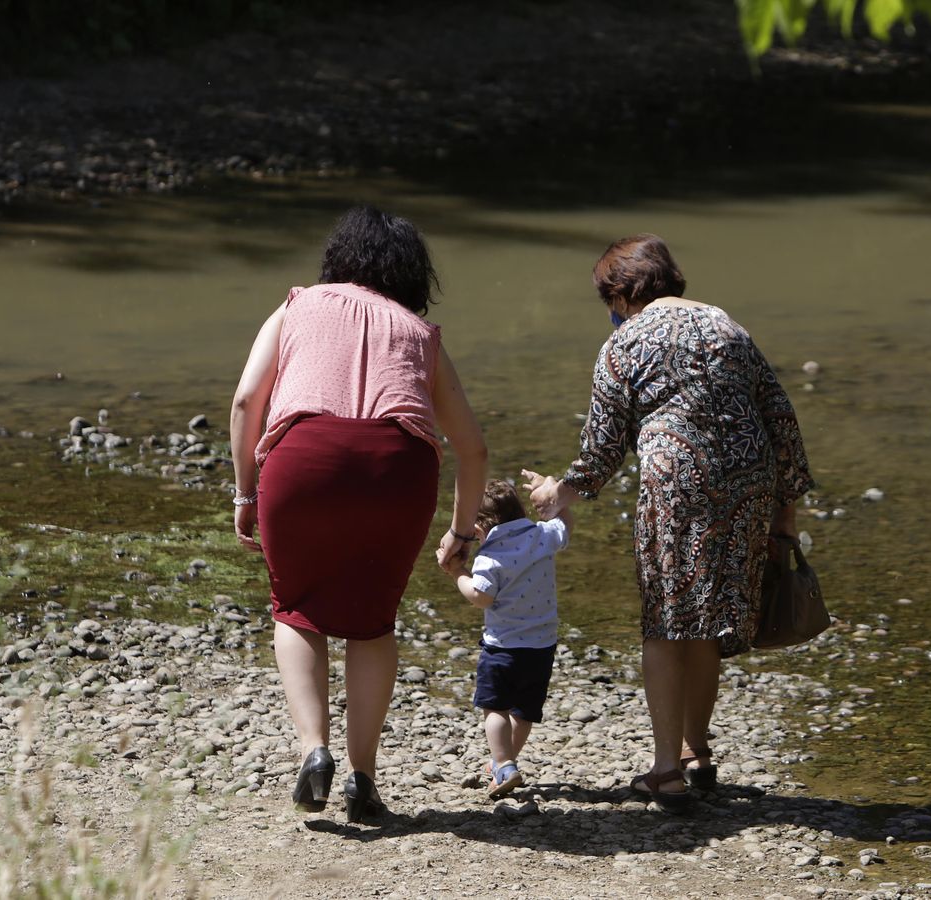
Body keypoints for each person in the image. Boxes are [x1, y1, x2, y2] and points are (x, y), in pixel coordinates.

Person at [525, 234, 813, 813]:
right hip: (749, 477)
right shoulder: (727, 325)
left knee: (665, 619)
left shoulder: (625, 344)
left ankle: (665, 773)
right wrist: (787, 507)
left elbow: (602, 452)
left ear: (621, 292)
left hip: (678, 477)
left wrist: (558, 492)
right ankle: (697, 753)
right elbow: (780, 415)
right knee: (704, 616)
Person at [229, 206, 487, 824]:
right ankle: (363, 777)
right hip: (395, 468)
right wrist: (461, 529)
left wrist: (245, 493)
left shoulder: (297, 307)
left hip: (304, 460)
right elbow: (472, 447)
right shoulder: (420, 336)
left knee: (297, 606)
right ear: (409, 275)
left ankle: (313, 751)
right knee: (372, 623)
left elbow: (245, 401)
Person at [438, 478, 570, 800]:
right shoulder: (542, 535)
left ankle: (503, 764)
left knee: (494, 708)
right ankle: (505, 760)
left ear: (480, 530)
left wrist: (458, 574)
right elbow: (564, 523)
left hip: (503, 648)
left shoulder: (490, 556)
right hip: (542, 647)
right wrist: (550, 492)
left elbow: (481, 596)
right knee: (524, 710)